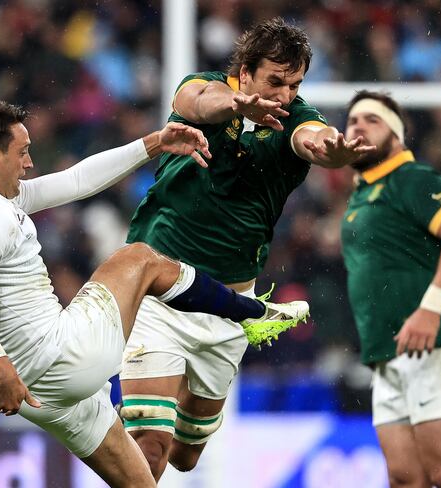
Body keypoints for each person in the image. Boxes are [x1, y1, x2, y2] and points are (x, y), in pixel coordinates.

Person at [0, 100, 310, 488]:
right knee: (140, 258)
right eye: (23, 152)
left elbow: (75, 181)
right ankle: (249, 311)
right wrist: (1, 371)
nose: (29, 163)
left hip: (38, 395)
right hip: (59, 358)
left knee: (141, 483)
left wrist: (154, 143)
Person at [118, 17, 375, 479]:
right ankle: (133, 409)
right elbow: (196, 101)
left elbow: (310, 139)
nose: (285, 95)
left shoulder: (296, 117)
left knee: (185, 453)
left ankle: (134, 409)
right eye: (275, 81)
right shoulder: (204, 89)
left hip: (228, 308)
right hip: (158, 297)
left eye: (295, 84)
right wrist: (239, 106)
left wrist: (331, 150)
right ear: (244, 69)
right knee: (152, 443)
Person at [340, 90, 441, 488]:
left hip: (436, 343)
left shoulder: (412, 179)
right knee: (406, 479)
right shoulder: (361, 195)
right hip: (389, 352)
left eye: (372, 120)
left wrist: (430, 310)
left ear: (398, 135)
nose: (358, 126)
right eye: (352, 120)